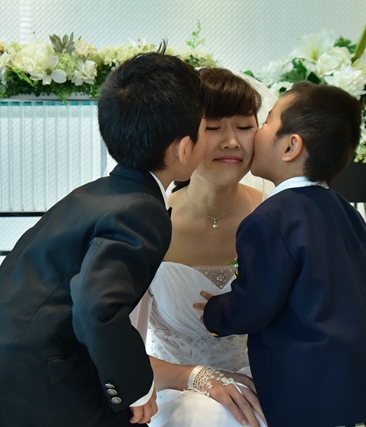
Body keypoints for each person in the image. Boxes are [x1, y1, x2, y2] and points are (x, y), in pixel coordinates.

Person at [0, 49, 208, 427]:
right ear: (184, 148)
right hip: (24, 381)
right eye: (205, 130)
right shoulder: (142, 210)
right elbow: (96, 308)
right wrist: (137, 388)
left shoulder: (95, 193)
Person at [197, 82, 366, 426]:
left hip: (314, 393)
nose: (256, 132)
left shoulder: (269, 218)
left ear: (291, 146)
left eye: (266, 122)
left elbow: (256, 302)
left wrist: (216, 313)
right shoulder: (345, 210)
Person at [133, 67, 272, 427]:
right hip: (174, 391)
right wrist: (199, 378)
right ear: (183, 138)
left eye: (244, 126)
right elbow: (116, 351)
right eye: (213, 128)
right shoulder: (148, 223)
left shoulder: (276, 216)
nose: (232, 142)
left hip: (264, 384)